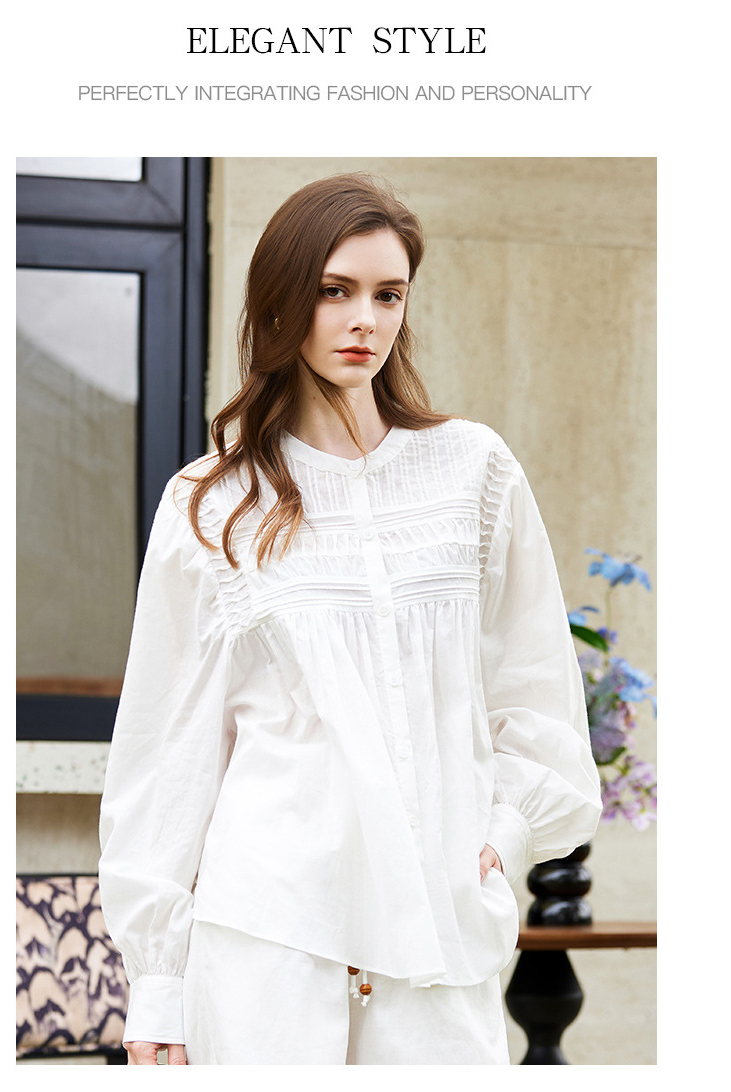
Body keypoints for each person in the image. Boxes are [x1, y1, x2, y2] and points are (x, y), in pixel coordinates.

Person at [98, 172, 602, 1066]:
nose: (364, 319)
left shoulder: (474, 471)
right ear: (281, 300)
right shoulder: (211, 503)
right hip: (267, 933)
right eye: (335, 291)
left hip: (442, 926)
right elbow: (165, 750)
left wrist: (507, 830)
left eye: (387, 294)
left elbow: (534, 686)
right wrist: (159, 984)